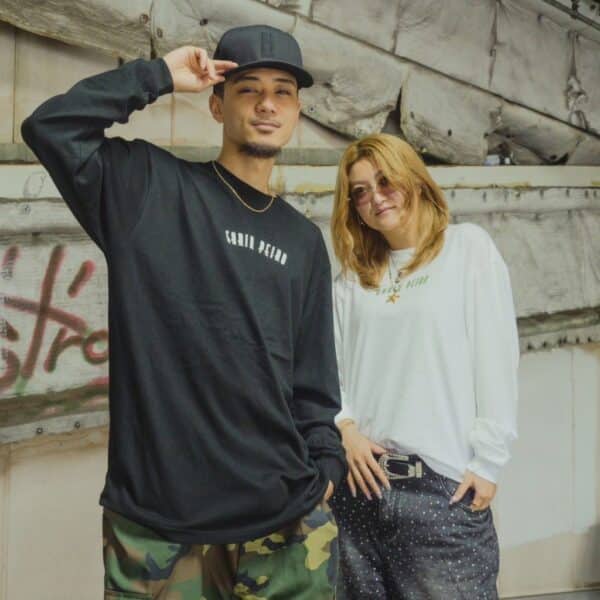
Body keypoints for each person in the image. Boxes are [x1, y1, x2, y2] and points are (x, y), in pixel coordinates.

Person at [22, 24, 346, 599]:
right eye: (248, 89)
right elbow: (51, 128)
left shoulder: (302, 241)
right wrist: (158, 77)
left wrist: (326, 469)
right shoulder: (148, 188)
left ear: (297, 111)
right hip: (159, 528)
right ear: (216, 105)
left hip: (285, 524)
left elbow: (314, 383)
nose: (267, 105)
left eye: (283, 92)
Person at [328, 133, 519, 599]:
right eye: (360, 191)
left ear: (414, 179)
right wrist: (345, 429)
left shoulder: (467, 249)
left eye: (385, 181)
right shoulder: (352, 279)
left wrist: (488, 462)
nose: (376, 197)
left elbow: (497, 357)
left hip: (440, 487)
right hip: (361, 488)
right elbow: (331, 371)